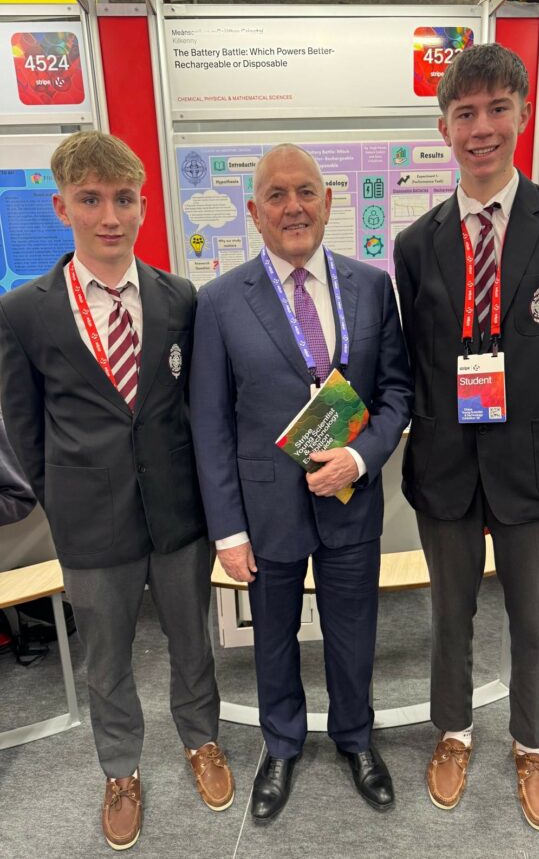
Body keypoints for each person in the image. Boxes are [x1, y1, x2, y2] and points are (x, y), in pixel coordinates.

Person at [394, 44, 539, 832]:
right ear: (444, 127)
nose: (480, 127)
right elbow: (419, 359)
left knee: (535, 618)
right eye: (464, 113)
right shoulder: (416, 243)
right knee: (449, 614)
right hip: (446, 464)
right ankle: (453, 732)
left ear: (522, 113)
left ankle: (532, 744)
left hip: (536, 465)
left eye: (496, 109)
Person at [0, 131, 233, 851]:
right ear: (61, 206)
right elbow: (25, 428)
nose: (110, 216)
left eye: (124, 199)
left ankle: (201, 739)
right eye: (91, 199)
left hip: (177, 514)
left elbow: (195, 408)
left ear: (143, 205)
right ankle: (120, 769)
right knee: (106, 658)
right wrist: (64, 503)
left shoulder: (179, 297)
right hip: (89, 522)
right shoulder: (25, 311)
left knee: (192, 640)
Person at [190, 144, 412, 821]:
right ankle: (281, 744)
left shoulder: (370, 286)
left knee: (354, 631)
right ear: (254, 211)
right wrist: (228, 530)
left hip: (350, 499)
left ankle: (356, 738)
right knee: (274, 638)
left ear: (328, 201)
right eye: (277, 195)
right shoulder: (219, 302)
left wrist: (361, 457)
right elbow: (210, 423)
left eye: (306, 191)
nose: (294, 207)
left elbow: (397, 394)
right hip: (265, 510)